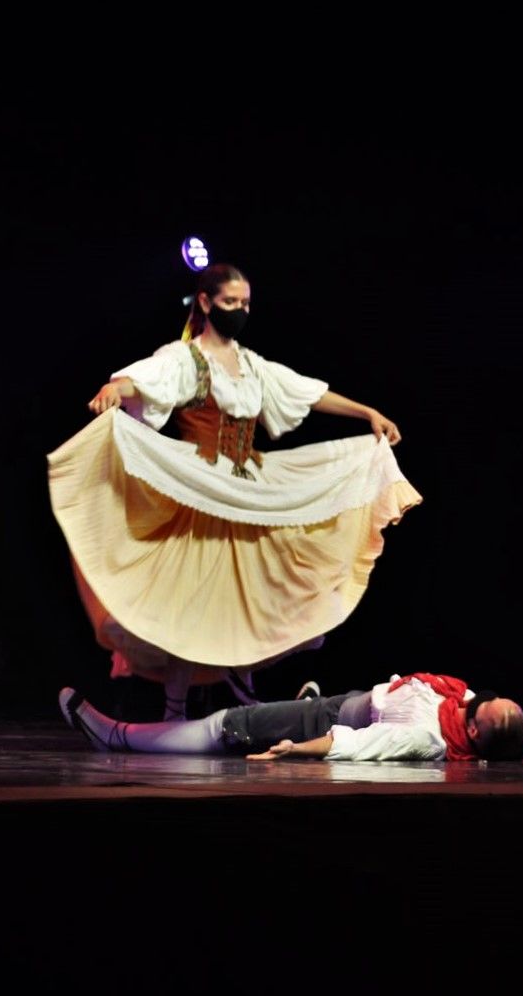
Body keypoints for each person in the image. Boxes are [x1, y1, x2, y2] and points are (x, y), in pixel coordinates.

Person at [47, 261, 422, 720]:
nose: (240, 310)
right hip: (203, 491)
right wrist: (113, 387)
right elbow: (144, 379)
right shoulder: (187, 359)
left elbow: (306, 392)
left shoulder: (250, 364)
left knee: (251, 603)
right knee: (193, 608)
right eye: (230, 302)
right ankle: (175, 712)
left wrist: (367, 413)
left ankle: (246, 697)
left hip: (248, 494)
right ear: (205, 303)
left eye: (245, 303)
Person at [58, 674, 523, 763]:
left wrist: (290, 752)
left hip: (339, 717)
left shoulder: (426, 737)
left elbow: (352, 745)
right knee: (289, 709)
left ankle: (116, 735)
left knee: (229, 726)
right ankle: (301, 701)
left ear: (473, 732)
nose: (476, 698)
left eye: (481, 708)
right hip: (350, 703)